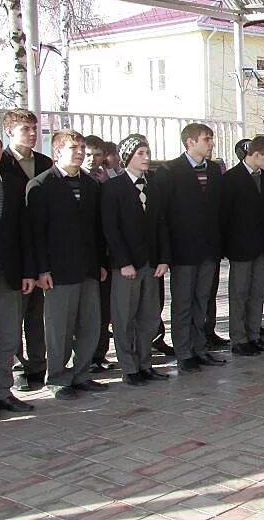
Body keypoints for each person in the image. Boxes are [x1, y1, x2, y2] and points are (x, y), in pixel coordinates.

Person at [26, 129, 108, 400]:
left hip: (87, 268)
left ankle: (82, 374)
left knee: (89, 324)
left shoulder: (89, 184)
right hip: (58, 271)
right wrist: (41, 269)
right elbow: (36, 232)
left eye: (82, 147)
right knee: (59, 328)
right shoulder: (41, 185)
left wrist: (100, 263)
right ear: (58, 151)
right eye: (74, 147)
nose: (80, 152)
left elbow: (96, 229)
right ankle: (58, 378)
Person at [152, 123, 226, 374]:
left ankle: (200, 347)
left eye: (211, 138)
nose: (211, 143)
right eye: (207, 139)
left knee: (202, 300)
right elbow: (162, 214)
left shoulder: (215, 170)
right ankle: (184, 351)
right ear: (190, 142)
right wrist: (166, 251)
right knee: (183, 302)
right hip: (183, 251)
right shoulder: (169, 171)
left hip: (209, 250)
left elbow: (219, 211)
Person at [100, 136, 171, 386]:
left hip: (151, 264)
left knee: (149, 316)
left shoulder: (153, 186)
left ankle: (145, 363)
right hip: (127, 266)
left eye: (148, 151)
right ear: (128, 156)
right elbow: (111, 229)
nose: (146, 157)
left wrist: (163, 258)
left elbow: (162, 223)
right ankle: (129, 368)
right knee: (124, 316)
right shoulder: (113, 187)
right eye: (141, 152)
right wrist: (123, 262)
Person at [0, 109, 52, 392]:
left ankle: (37, 364)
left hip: (41, 245)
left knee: (37, 313)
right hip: (13, 251)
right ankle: (17, 367)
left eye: (34, 128)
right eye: (25, 129)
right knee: (12, 316)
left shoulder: (44, 162)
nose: (32, 134)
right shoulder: (1, 162)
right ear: (10, 132)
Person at [0, 131, 36, 419]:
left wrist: (29, 271)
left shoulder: (15, 185)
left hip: (10, 275)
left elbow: (25, 233)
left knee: (7, 338)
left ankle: (2, 392)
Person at [221, 136, 264, 357]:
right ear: (255, 154)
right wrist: (226, 247)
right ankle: (239, 339)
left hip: (261, 247)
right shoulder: (231, 179)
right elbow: (224, 216)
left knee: (257, 293)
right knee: (239, 293)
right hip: (240, 248)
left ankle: (254, 335)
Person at [82, 135, 115, 374]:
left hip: (106, 256)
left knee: (104, 310)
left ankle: (99, 354)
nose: (93, 160)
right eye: (89, 154)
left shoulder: (109, 179)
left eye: (97, 155)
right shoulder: (75, 179)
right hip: (81, 257)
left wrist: (106, 185)